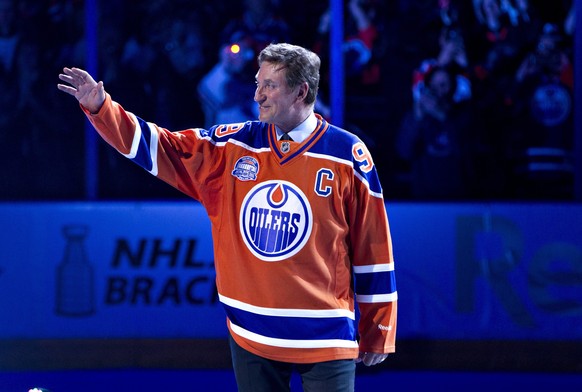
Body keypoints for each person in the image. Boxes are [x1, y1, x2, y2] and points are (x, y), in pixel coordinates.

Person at [58, 42, 397, 391]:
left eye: (270, 85)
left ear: (301, 92)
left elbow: (372, 245)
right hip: (251, 333)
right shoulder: (233, 146)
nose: (258, 95)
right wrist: (102, 108)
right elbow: (163, 147)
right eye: (257, 83)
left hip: (326, 335)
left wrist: (379, 327)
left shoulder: (348, 154)